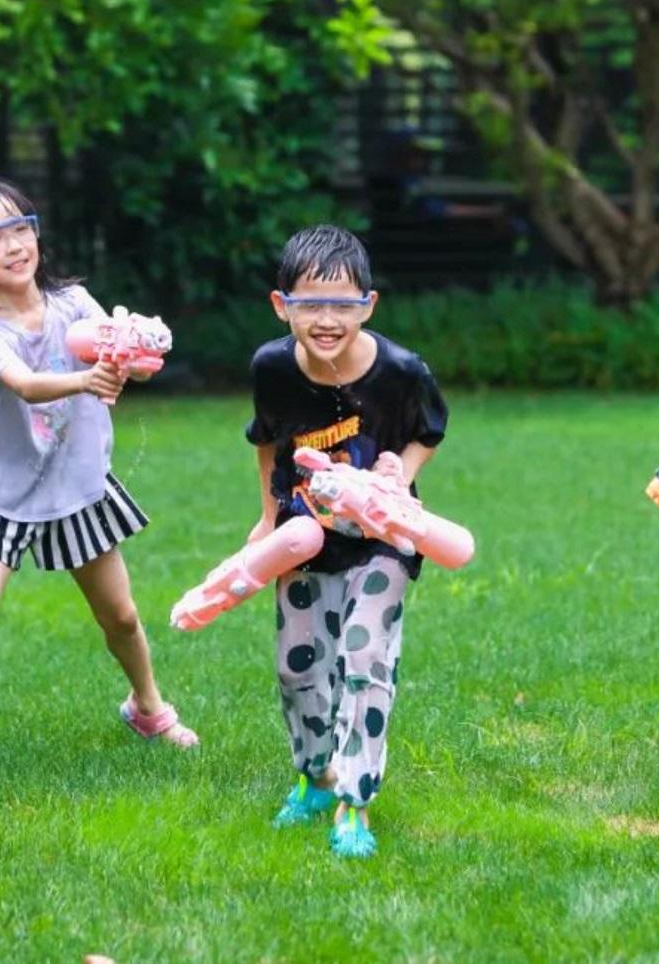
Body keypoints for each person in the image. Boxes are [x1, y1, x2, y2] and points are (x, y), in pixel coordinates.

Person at [0, 174, 197, 778]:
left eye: (22, 227)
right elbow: (26, 386)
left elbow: (116, 358)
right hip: (5, 500)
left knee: (123, 618)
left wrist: (133, 359)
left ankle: (148, 707)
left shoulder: (75, 305)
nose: (15, 243)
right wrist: (86, 380)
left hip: (77, 491)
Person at [244, 224, 449, 857]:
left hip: (384, 535)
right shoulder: (272, 367)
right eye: (310, 304)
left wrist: (400, 474)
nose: (327, 319)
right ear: (283, 306)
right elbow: (269, 444)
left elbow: (429, 432)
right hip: (303, 534)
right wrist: (268, 516)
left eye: (343, 304)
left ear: (369, 305)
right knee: (297, 663)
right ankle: (313, 775)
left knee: (365, 660)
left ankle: (353, 802)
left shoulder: (402, 371)